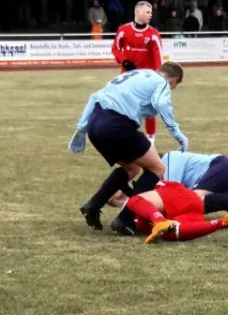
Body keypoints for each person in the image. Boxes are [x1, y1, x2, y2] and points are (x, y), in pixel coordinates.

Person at [68, 61, 189, 236]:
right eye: (173, 87)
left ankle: (93, 206)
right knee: (157, 168)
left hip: (96, 123)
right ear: (173, 80)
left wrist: (82, 129)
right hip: (117, 125)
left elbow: (95, 96)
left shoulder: (137, 75)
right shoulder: (161, 82)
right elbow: (161, 104)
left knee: (132, 168)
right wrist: (177, 134)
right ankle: (124, 219)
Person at [111, 1, 164, 145]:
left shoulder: (153, 34)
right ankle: (125, 135)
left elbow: (158, 57)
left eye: (151, 12)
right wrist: (124, 61)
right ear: (138, 12)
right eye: (148, 12)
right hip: (127, 77)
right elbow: (115, 49)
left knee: (149, 108)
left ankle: (150, 139)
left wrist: (159, 76)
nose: (150, 15)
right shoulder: (123, 30)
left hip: (146, 78)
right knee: (125, 107)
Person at [127, 181, 228, 244]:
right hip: (194, 205)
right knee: (170, 231)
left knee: (134, 201)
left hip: (178, 195)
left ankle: (159, 221)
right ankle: (222, 222)